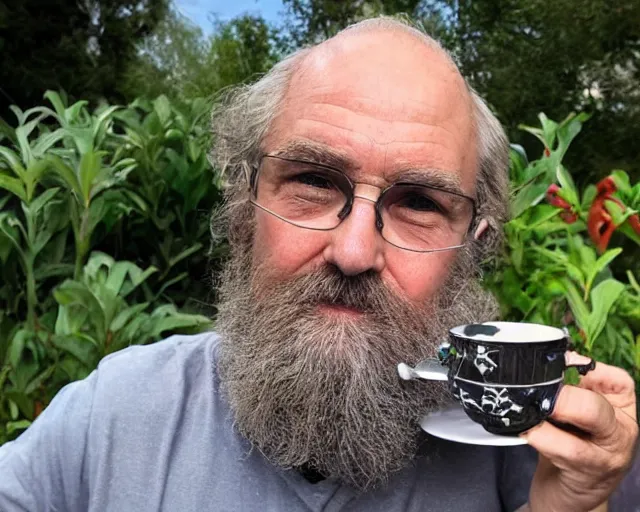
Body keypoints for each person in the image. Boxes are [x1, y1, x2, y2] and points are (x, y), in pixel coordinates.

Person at [0, 16, 637, 512]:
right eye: (311, 180)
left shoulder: (540, 461)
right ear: (245, 202)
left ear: (474, 243)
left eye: (418, 202)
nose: (355, 251)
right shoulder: (112, 421)